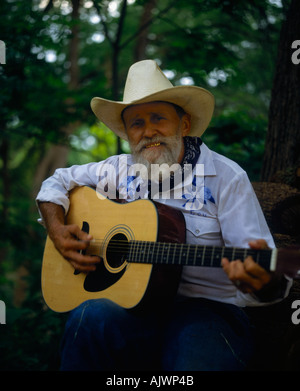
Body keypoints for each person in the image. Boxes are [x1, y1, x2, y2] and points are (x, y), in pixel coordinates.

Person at [36, 59, 291, 371]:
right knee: (89, 317)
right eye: (137, 123)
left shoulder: (226, 177)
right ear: (128, 132)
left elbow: (268, 275)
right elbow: (56, 182)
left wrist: (263, 281)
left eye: (158, 118)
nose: (148, 131)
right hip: (132, 310)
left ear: (184, 125)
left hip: (208, 313)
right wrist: (58, 230)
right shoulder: (116, 169)